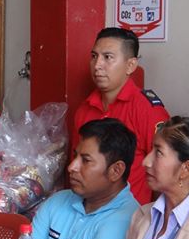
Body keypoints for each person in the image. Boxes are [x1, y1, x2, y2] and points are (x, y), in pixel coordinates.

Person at [32, 118, 140, 239]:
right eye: (75, 156)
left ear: (116, 170)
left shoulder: (128, 218)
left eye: (86, 160)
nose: (72, 166)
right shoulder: (58, 201)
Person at [72, 27, 170, 204]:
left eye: (107, 57)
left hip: (133, 214)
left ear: (130, 65)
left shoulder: (147, 110)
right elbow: (76, 164)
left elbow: (165, 172)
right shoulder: (84, 110)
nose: (97, 65)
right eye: (94, 56)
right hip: (87, 211)